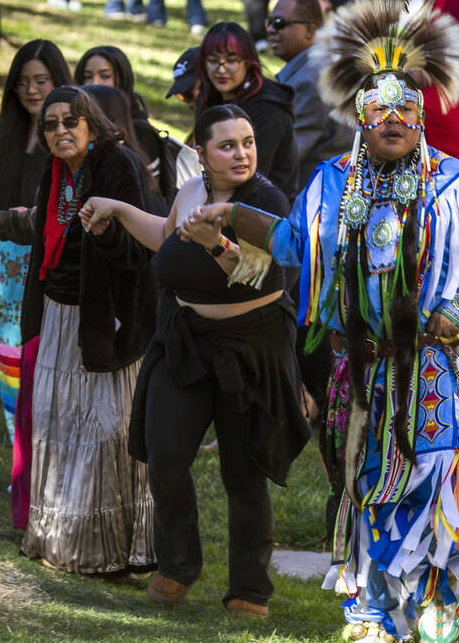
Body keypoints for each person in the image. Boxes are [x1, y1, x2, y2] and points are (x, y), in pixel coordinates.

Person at [180, 0, 459, 643]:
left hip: (431, 364)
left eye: (405, 111)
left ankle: (433, 592)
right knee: (365, 481)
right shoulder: (330, 185)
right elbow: (289, 245)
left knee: (432, 478)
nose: (394, 121)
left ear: (422, 115)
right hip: (356, 362)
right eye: (380, 112)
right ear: (361, 117)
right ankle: (371, 608)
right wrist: (228, 221)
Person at [77, 104, 309, 612]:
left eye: (247, 142)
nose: (242, 153)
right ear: (201, 153)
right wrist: (117, 209)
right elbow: (164, 238)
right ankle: (178, 566)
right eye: (228, 145)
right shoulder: (191, 192)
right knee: (165, 454)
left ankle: (249, 590)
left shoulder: (266, 201)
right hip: (185, 341)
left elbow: (266, 274)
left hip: (251, 346)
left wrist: (218, 243)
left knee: (242, 472)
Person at [0, 88, 156, 574]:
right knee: (57, 424)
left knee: (104, 429)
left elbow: (138, 253)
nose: (61, 131)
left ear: (92, 123)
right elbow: (47, 227)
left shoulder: (117, 166)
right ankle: (65, 543)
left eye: (72, 121)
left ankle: (112, 550)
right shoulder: (57, 172)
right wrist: (0, 222)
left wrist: (106, 230)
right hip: (56, 314)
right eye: (51, 124)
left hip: (103, 319)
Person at [0, 40, 73, 442]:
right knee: (12, 366)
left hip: (49, 273)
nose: (31, 90)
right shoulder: (8, 135)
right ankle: (22, 463)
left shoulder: (66, 144)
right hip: (7, 273)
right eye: (23, 82)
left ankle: (46, 464)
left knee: (46, 366)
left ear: (58, 82)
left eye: (41, 81)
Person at [74, 45, 197, 203]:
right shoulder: (75, 127)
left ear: (122, 81)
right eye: (87, 76)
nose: (93, 83)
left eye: (105, 76)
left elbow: (151, 196)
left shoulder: (140, 132)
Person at [195, 22, 299, 197]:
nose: (221, 70)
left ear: (248, 63)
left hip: (264, 209)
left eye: (231, 61)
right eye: (213, 61)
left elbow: (250, 177)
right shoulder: (211, 96)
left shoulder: (268, 110)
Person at [266, 0, 354, 187]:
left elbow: (289, 154)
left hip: (312, 198)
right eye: (269, 23)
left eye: (279, 23)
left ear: (310, 30)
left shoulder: (308, 80)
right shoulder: (318, 65)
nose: (271, 30)